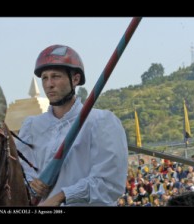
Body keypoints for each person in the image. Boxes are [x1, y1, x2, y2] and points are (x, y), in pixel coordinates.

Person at [16, 44, 128, 206]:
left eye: (56, 76)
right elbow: (21, 174)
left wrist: (62, 196)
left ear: (75, 79)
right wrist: (31, 185)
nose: (49, 84)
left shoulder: (100, 121)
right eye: (45, 78)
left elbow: (109, 184)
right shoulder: (31, 126)